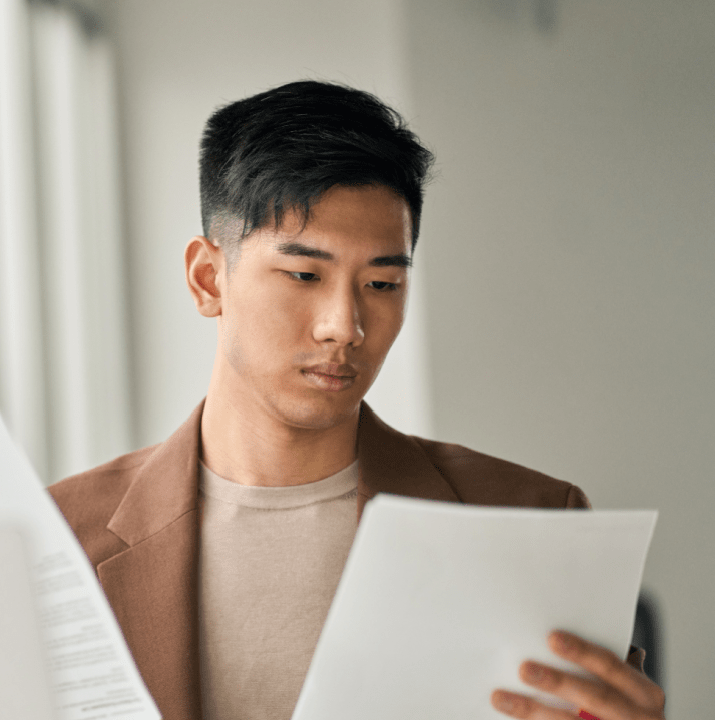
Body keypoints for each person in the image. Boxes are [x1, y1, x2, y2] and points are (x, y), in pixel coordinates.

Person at [48, 81, 666, 720]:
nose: (344, 325)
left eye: (381, 282)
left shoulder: (532, 521)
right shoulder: (60, 537)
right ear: (208, 278)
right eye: (304, 275)